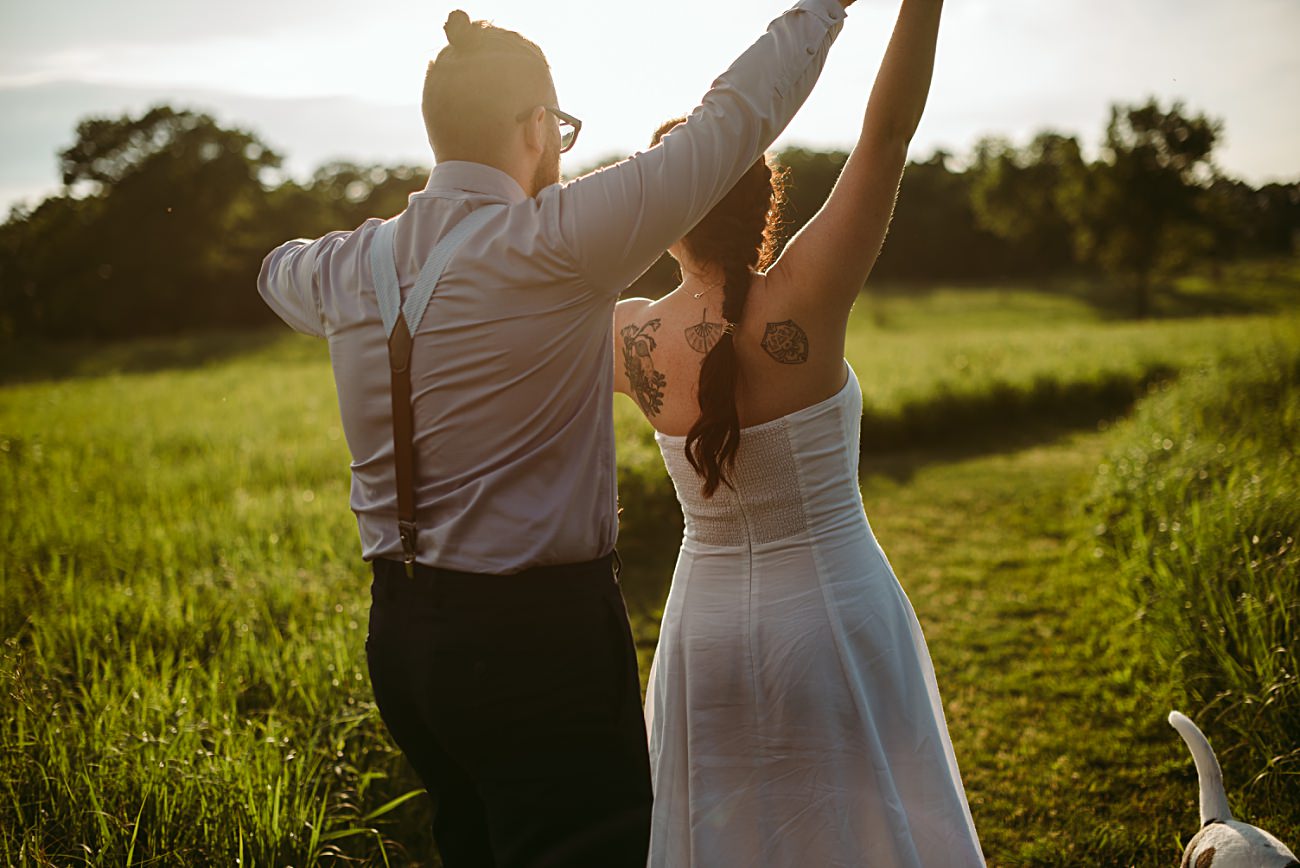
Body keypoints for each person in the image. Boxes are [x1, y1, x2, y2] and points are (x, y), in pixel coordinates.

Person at [257, 1, 852, 865]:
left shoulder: (350, 265)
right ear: (536, 126)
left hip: (401, 640)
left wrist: (350, 267)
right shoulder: (559, 241)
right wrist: (824, 9)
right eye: (561, 129)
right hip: (539, 642)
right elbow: (732, 122)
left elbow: (276, 272)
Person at [613, 0, 985, 864]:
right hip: (832, 619)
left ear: (667, 209)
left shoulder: (626, 337)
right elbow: (887, 133)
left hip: (701, 635)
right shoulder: (807, 293)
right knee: (862, 831)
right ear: (764, 199)